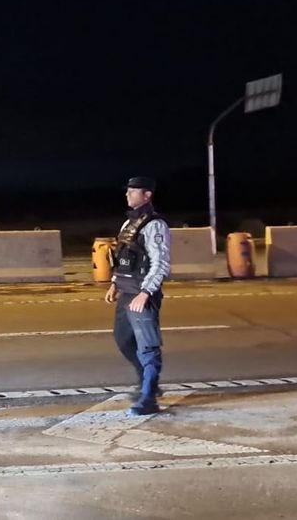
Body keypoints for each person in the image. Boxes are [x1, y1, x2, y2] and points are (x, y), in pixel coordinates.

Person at [103, 176, 171, 416]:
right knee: (123, 340)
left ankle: (149, 398)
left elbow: (161, 264)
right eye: (128, 191)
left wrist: (146, 292)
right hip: (126, 293)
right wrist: (114, 283)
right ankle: (147, 382)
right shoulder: (128, 223)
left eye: (133, 191)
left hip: (143, 295)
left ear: (147, 195)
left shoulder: (155, 225)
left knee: (147, 348)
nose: (128, 195)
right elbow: (122, 257)